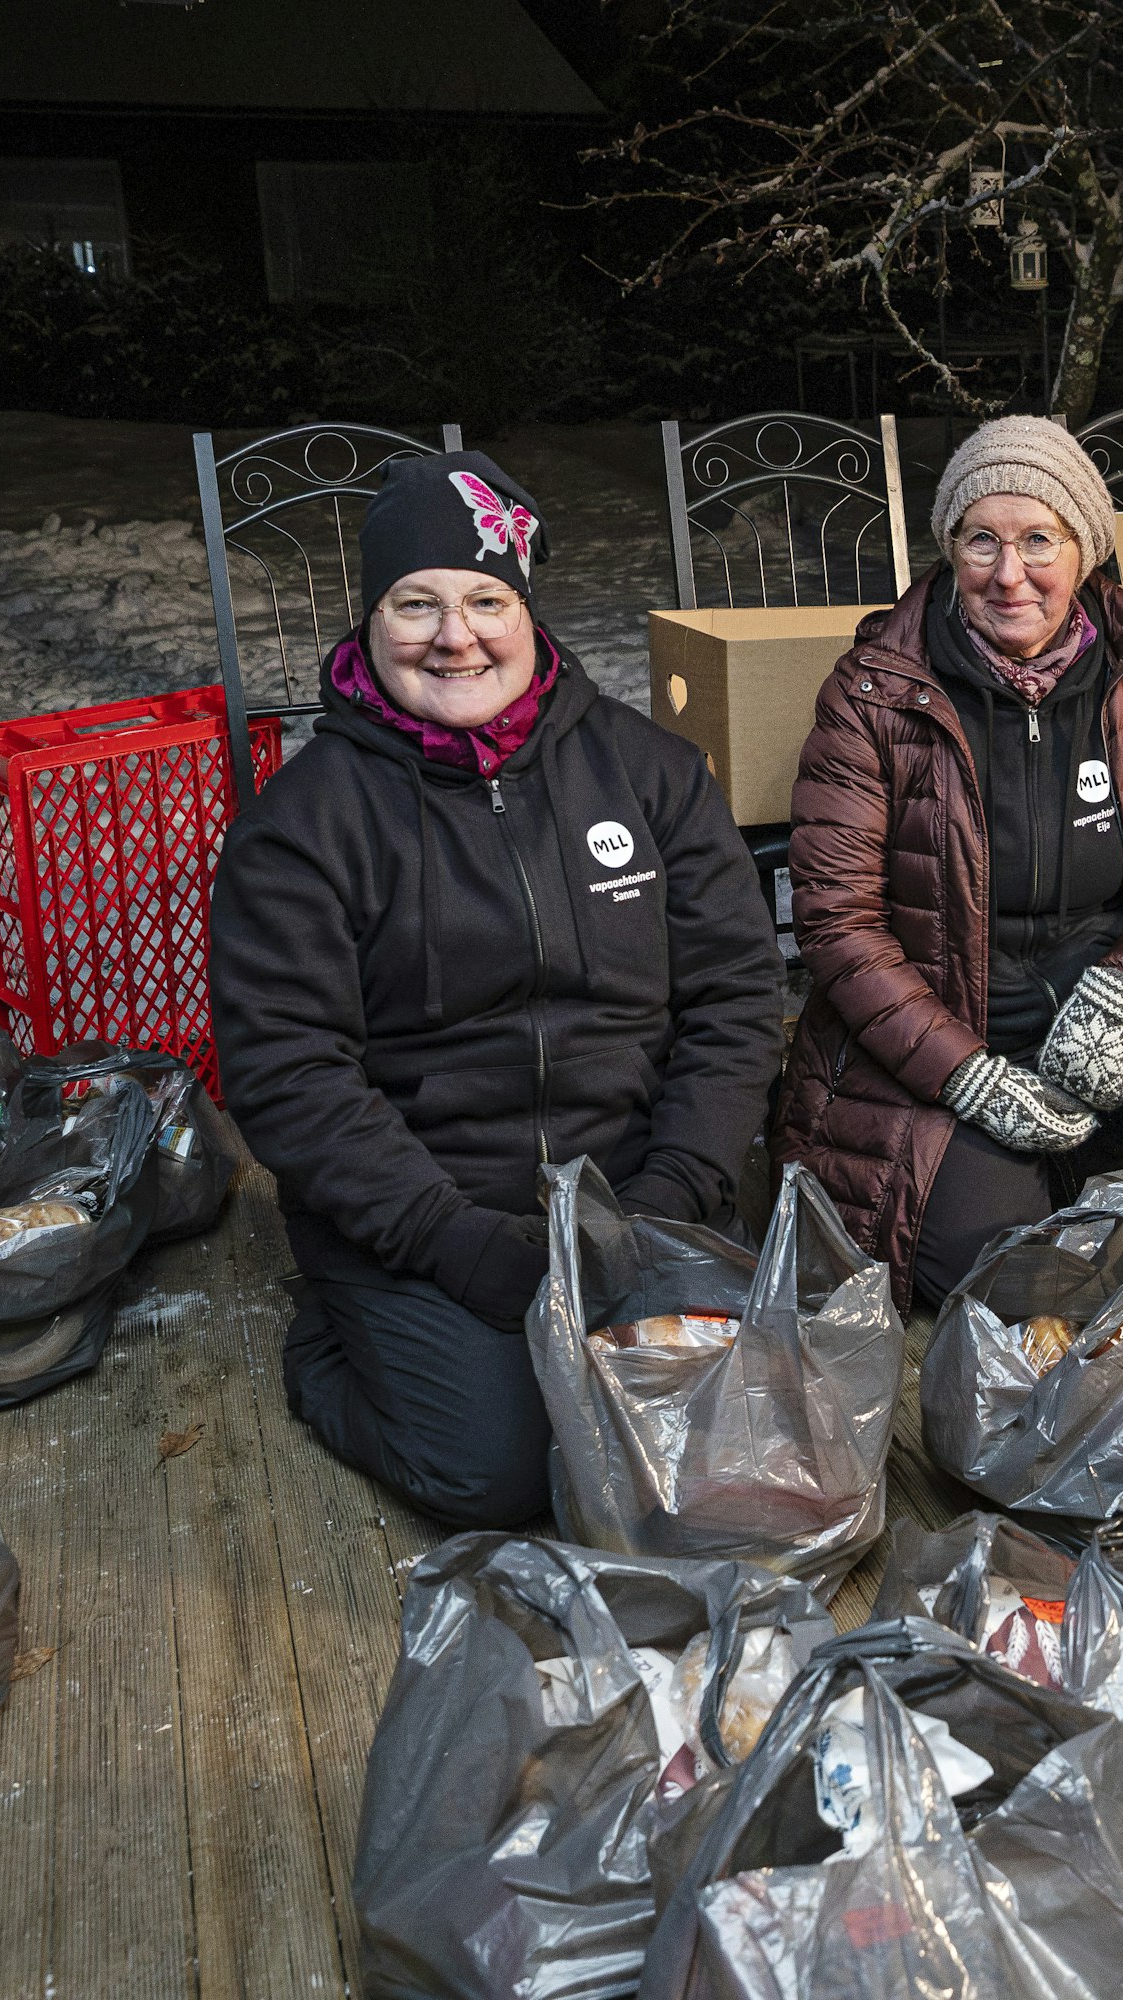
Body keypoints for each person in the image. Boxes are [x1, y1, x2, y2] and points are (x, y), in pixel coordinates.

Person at [210, 449, 785, 1527]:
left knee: (712, 1439)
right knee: (504, 1475)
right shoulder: (302, 823)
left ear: (528, 610)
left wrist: (674, 1190)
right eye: (415, 602)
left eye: (486, 599)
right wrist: (450, 1238)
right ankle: (335, 1343)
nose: (455, 634)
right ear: (370, 620)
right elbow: (288, 1072)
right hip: (429, 1215)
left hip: (634, 1193)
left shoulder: (649, 772)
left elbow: (736, 994)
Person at [776, 415, 1123, 1303]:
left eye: (1039, 540)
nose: (1009, 574)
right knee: (993, 1265)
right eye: (982, 540)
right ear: (951, 549)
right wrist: (965, 1074)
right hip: (939, 1011)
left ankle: (1073, 1143)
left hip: (1093, 988)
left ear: (1084, 551)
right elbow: (836, 926)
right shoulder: (873, 692)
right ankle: (1030, 1161)